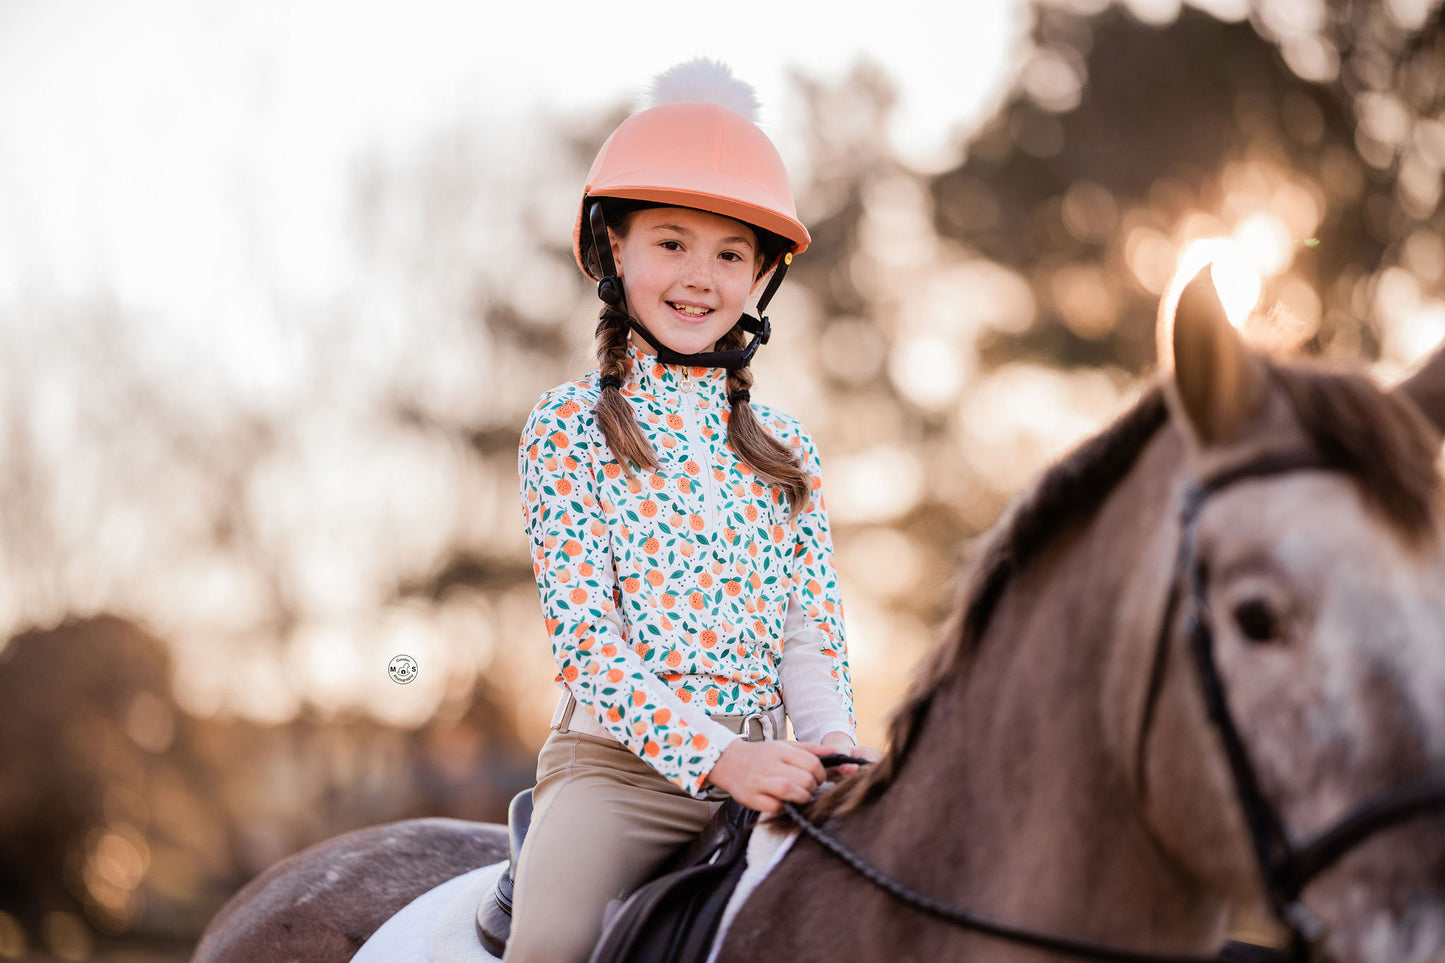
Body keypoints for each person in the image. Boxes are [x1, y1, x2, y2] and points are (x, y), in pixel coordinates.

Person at [508, 59, 878, 963]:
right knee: (550, 946)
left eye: (729, 253)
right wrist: (722, 759)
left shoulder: (786, 450)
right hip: (618, 776)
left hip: (778, 774)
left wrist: (832, 746)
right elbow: (589, 643)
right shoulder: (568, 428)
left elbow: (808, 633)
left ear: (759, 277)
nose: (698, 277)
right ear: (614, 252)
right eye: (671, 242)